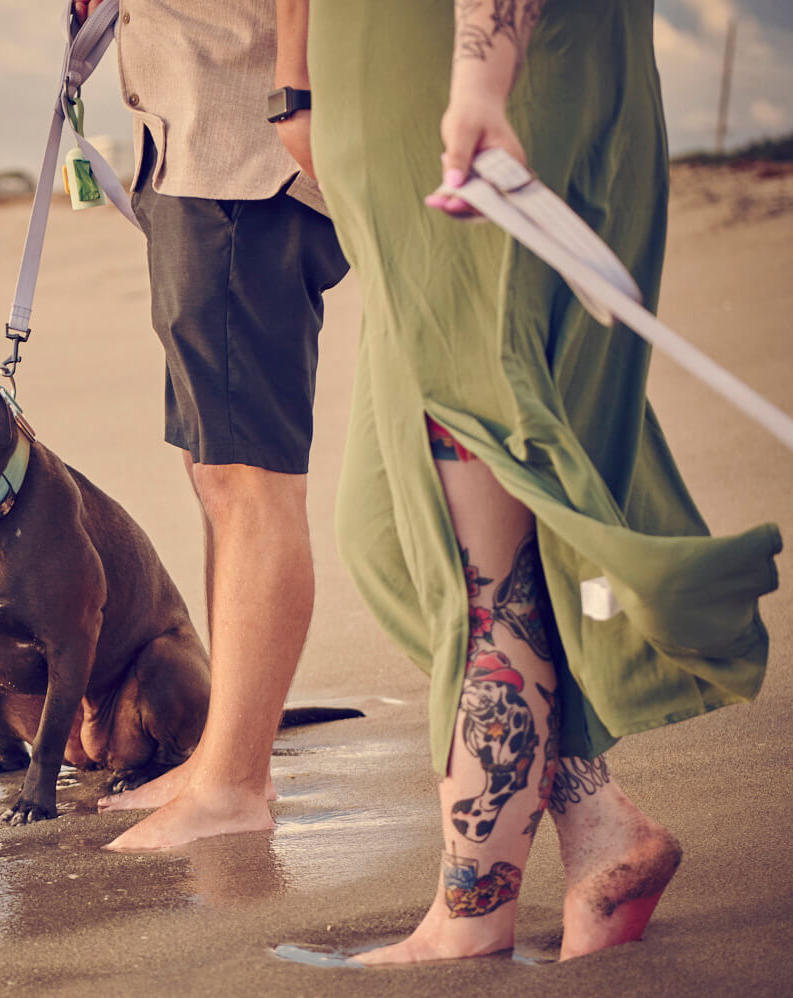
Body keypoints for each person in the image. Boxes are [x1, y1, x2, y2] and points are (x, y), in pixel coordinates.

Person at [305, 0, 781, 962]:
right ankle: (603, 829)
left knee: (480, 543)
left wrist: (485, 70)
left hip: (481, 73)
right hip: (395, 108)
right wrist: (300, 81)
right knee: (392, 535)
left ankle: (473, 908)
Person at [69, 0, 349, 851]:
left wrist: (296, 90)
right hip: (189, 142)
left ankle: (235, 783)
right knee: (213, 471)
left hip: (246, 146)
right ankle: (224, 757)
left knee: (249, 480)